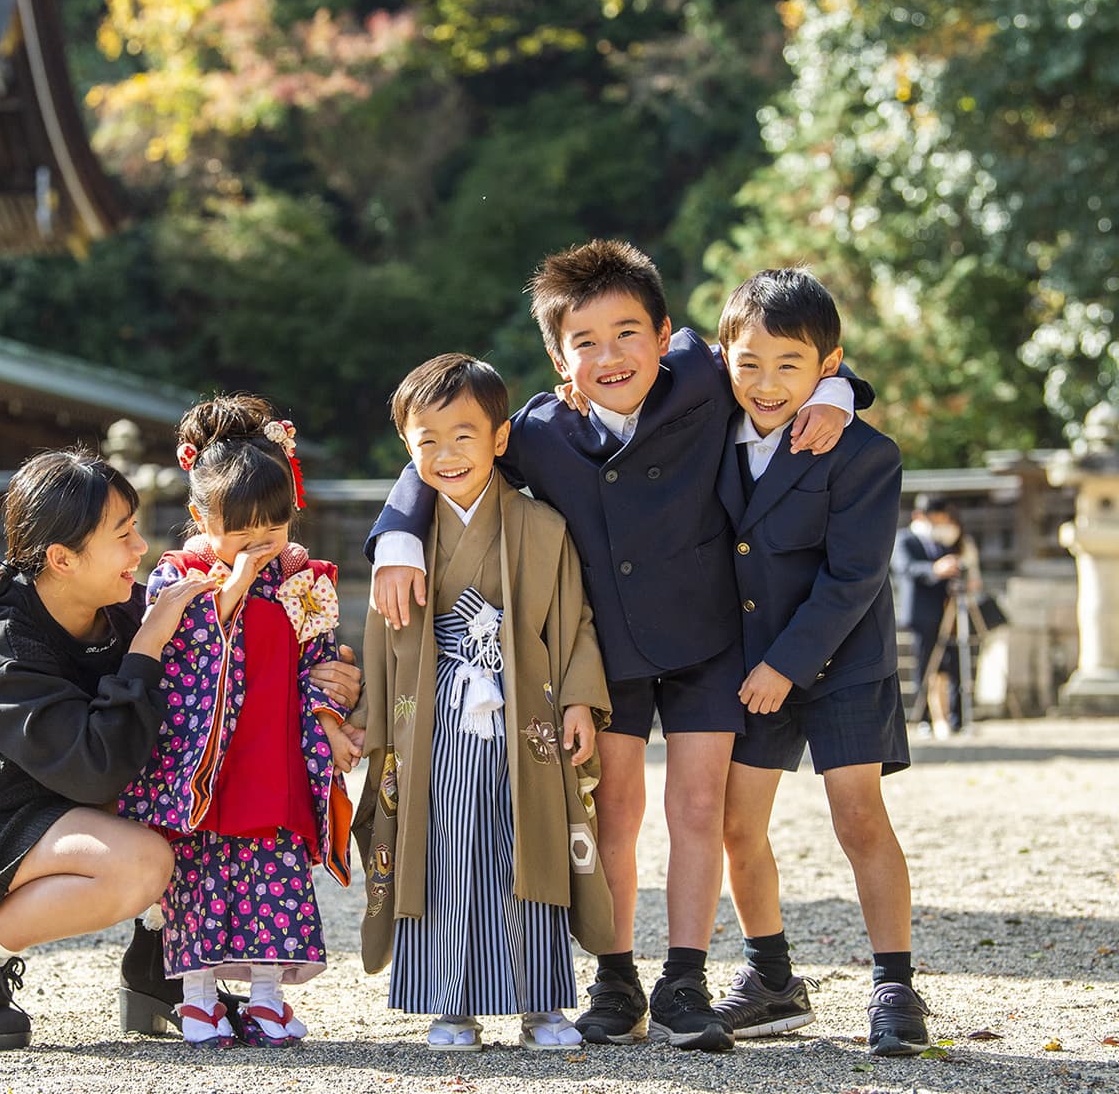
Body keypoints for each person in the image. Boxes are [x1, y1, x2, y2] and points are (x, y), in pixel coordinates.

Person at [367, 239, 867, 1053]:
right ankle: (615, 975)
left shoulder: (707, 380)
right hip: (605, 654)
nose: (610, 356)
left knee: (697, 809)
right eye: (585, 343)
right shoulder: (533, 430)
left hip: (710, 640)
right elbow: (444, 444)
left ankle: (683, 980)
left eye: (629, 333)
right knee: (616, 814)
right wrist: (395, 535)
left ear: (667, 334)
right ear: (559, 360)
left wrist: (842, 393)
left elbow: (783, 363)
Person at [0, 448, 360, 1051]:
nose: (141, 549)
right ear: (62, 558)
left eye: (135, 529)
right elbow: (97, 770)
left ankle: (158, 967)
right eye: (122, 535)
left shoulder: (125, 606)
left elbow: (224, 686)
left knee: (200, 797)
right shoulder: (5, 641)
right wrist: (145, 647)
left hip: (62, 814)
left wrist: (325, 686)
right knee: (141, 863)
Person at [352, 354, 614, 1052]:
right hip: (435, 717)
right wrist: (378, 727)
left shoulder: (541, 527)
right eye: (426, 440)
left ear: (501, 438)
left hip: (523, 711)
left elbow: (572, 622)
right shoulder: (402, 545)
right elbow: (383, 644)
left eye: (464, 435)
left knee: (528, 850)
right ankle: (451, 1005)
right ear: (407, 448)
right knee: (442, 852)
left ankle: (543, 1005)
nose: (446, 454)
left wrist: (581, 701)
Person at [709, 268, 929, 1056]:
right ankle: (771, 979)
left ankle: (895, 985)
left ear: (828, 365)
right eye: (749, 364)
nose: (766, 385)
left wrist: (789, 666)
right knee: (737, 825)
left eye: (790, 366)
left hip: (841, 660)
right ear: (722, 357)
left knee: (858, 816)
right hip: (746, 659)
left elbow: (854, 576)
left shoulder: (864, 453)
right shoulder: (710, 429)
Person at [116, 395, 362, 1049]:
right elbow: (175, 648)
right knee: (197, 878)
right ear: (199, 517)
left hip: (272, 754)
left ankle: (266, 1000)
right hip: (207, 764)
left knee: (273, 877)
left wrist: (334, 724)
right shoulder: (180, 577)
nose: (258, 547)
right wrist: (230, 589)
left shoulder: (303, 581)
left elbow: (319, 660)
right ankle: (196, 1001)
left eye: (271, 534)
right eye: (240, 535)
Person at [891, 494, 970, 736]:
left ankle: (957, 719)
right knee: (924, 666)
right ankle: (924, 718)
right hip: (919, 612)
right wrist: (935, 569)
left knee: (954, 664)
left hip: (947, 610)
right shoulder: (904, 539)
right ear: (919, 516)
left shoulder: (942, 543)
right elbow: (905, 568)